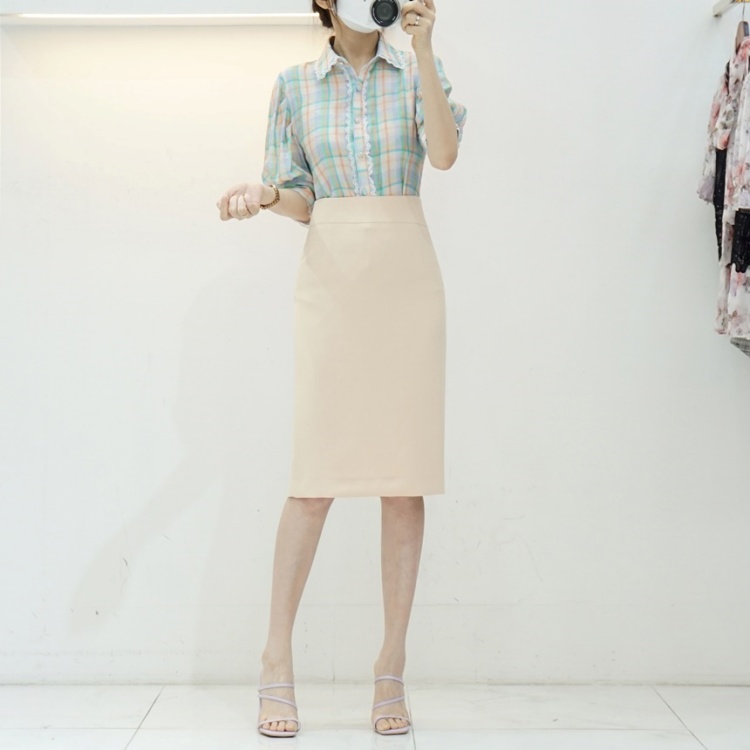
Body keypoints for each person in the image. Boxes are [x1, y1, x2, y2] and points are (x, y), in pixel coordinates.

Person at [216, 0, 467, 738]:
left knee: (403, 479)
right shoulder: (295, 85)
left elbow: (444, 155)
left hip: (406, 277)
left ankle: (391, 665)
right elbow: (302, 199)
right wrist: (269, 195)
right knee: (314, 480)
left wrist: (426, 50)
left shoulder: (415, 69)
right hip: (331, 279)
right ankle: (275, 657)